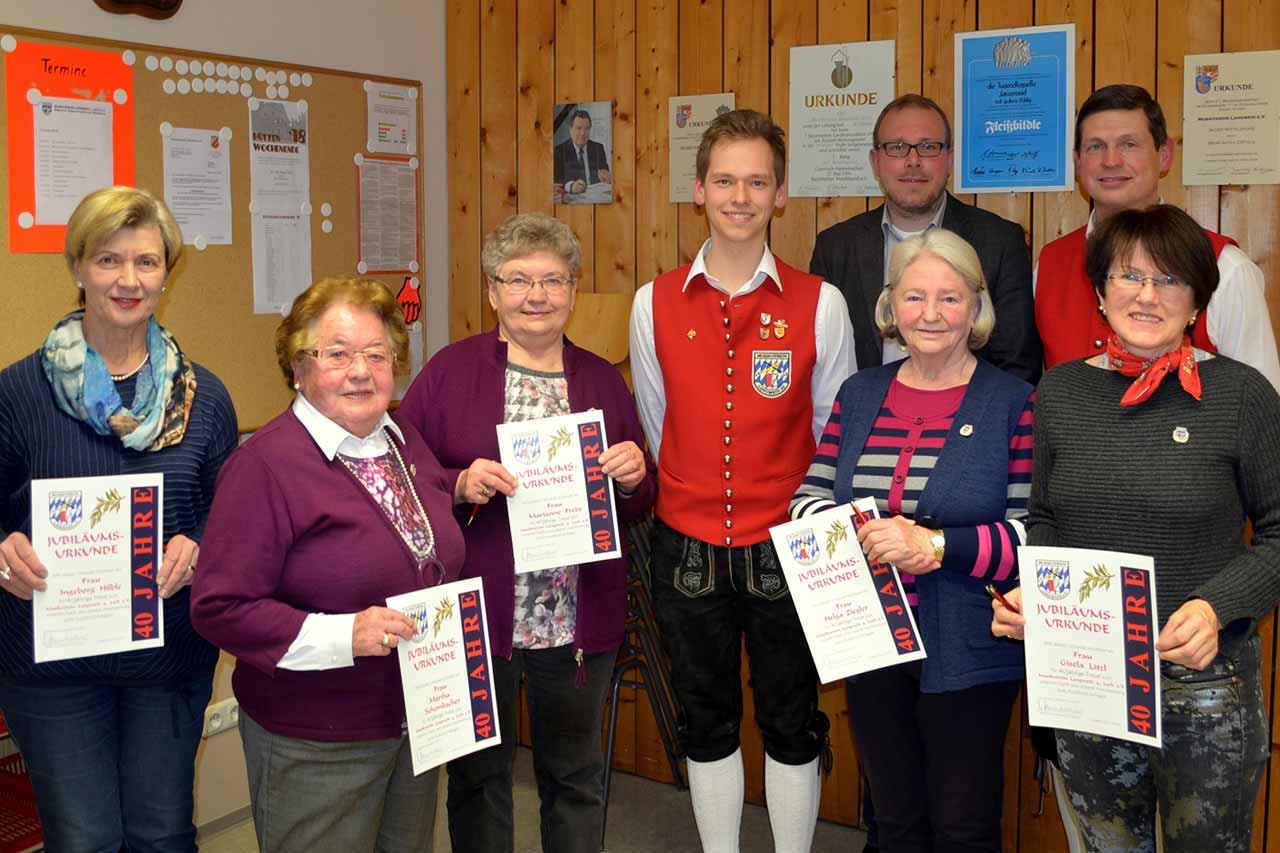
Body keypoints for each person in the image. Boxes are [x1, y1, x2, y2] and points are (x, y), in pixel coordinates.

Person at [993, 205, 1280, 852]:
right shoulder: (1060, 393)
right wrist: (1034, 590)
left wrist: (1216, 606)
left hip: (1203, 681)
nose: (1147, 295)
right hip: (1089, 675)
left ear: (1197, 299)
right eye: (1129, 276)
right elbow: (1046, 518)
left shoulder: (1241, 395)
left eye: (1169, 279)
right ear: (1100, 291)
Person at [629, 108, 855, 853]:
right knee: (705, 718)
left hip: (788, 545)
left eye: (757, 182)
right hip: (686, 543)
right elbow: (658, 422)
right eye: (725, 180)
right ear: (699, 189)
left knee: (792, 718)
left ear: (780, 194)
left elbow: (833, 430)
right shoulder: (653, 301)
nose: (740, 196)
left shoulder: (820, 302)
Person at [398, 212, 656, 853]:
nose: (535, 295)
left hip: (573, 615)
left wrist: (633, 478)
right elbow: (402, 475)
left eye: (552, 280)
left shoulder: (601, 378)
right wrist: (459, 483)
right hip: (477, 614)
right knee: (478, 778)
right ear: (492, 291)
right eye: (517, 280)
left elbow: (640, 499)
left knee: (574, 777)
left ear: (572, 290)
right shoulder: (449, 372)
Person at [0, 186, 239, 851]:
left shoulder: (204, 398)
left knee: (162, 836)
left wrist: (201, 544)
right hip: (51, 668)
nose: (128, 280)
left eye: (146, 261)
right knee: (85, 841)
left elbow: (232, 516)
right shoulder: (17, 393)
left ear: (166, 273)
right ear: (77, 267)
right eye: (108, 260)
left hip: (167, 660)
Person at [190, 277, 465, 853]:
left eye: (377, 355)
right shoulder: (265, 466)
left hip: (416, 719)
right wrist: (345, 635)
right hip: (318, 743)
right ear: (299, 367)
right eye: (337, 354)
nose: (360, 371)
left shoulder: (404, 442)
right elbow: (220, 607)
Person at [792, 228, 1033, 852]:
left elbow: (1029, 534)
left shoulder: (1015, 403)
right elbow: (808, 499)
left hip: (971, 646)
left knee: (962, 825)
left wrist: (933, 546)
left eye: (950, 298)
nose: (930, 313)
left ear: (976, 309)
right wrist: (862, 533)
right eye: (914, 296)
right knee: (892, 819)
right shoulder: (860, 393)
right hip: (870, 640)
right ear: (891, 306)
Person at [1035, 84, 1280, 390]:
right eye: (1095, 146)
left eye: (1129, 144)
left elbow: (1262, 402)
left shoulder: (1226, 268)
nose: (1111, 160)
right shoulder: (1048, 265)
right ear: (1078, 162)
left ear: (1164, 156)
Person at [811, 93, 1041, 383]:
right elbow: (822, 366)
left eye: (928, 147)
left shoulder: (1000, 242)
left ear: (949, 160)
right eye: (897, 147)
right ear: (875, 162)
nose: (913, 161)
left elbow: (1017, 368)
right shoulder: (835, 248)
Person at [553, 108, 612, 196]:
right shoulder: (559, 151)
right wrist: (571, 186)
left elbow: (604, 171)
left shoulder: (598, 148)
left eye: (587, 129)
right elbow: (556, 180)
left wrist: (606, 176)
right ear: (570, 130)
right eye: (579, 128)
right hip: (572, 198)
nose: (583, 133)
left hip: (596, 197)